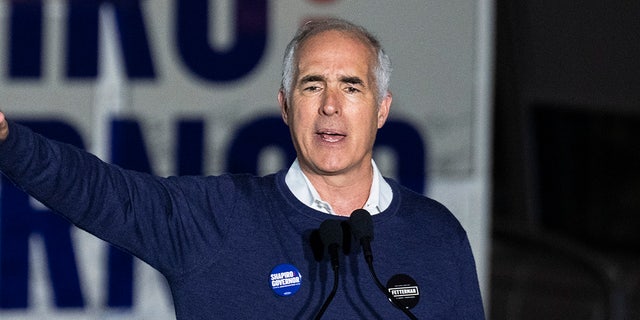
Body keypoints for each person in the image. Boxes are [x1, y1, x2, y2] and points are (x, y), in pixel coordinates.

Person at [0, 18, 485, 319]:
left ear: (381, 109)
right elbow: (99, 191)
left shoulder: (437, 234)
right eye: (312, 85)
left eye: (352, 87)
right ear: (285, 106)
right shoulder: (216, 218)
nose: (331, 106)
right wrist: (8, 140)